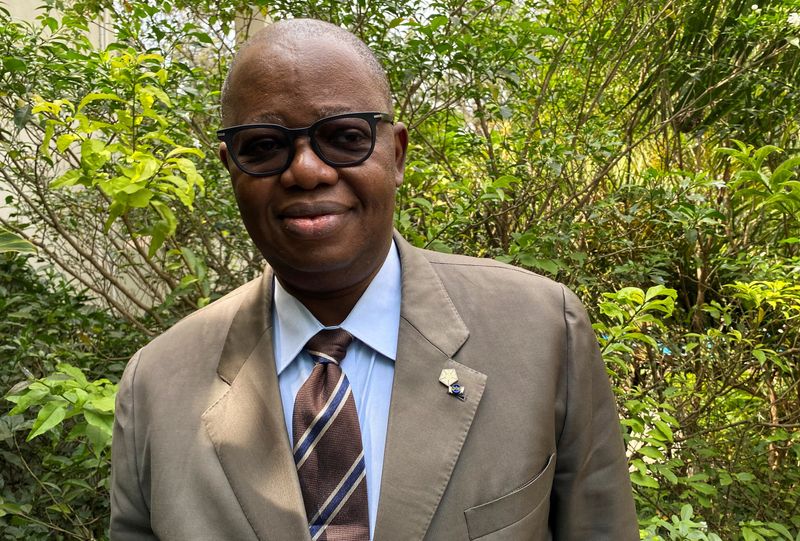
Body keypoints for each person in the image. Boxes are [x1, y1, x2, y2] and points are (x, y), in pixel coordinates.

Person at [110, 18, 639, 541]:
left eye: (344, 137)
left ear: (398, 153)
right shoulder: (156, 385)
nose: (306, 170)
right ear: (231, 166)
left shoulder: (541, 331)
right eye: (264, 145)